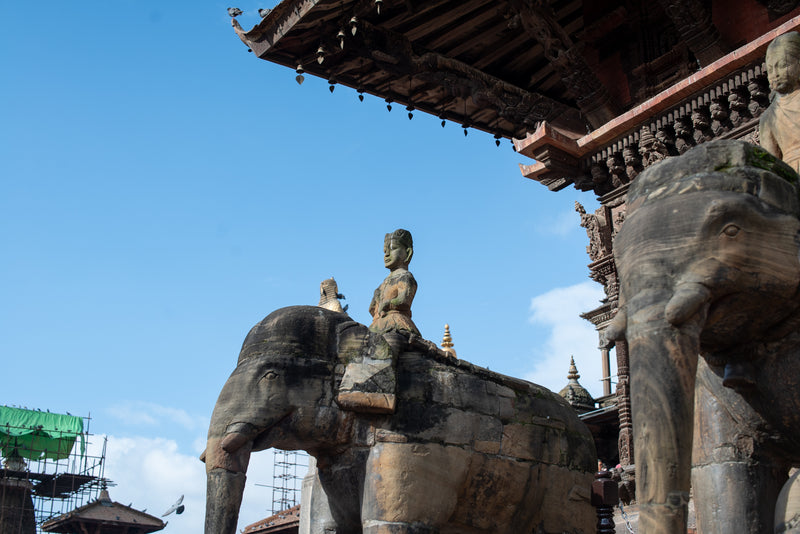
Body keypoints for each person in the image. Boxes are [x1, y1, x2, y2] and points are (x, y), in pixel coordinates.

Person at [759, 31, 800, 172]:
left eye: (782, 65)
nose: (775, 75)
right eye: (770, 70)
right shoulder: (768, 118)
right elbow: (771, 167)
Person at [368, 228, 420, 336]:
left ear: (408, 252)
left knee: (391, 340)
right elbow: (371, 309)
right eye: (385, 251)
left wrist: (387, 304)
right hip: (377, 323)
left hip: (396, 320)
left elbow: (403, 301)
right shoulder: (382, 284)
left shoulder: (405, 277)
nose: (386, 255)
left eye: (393, 249)